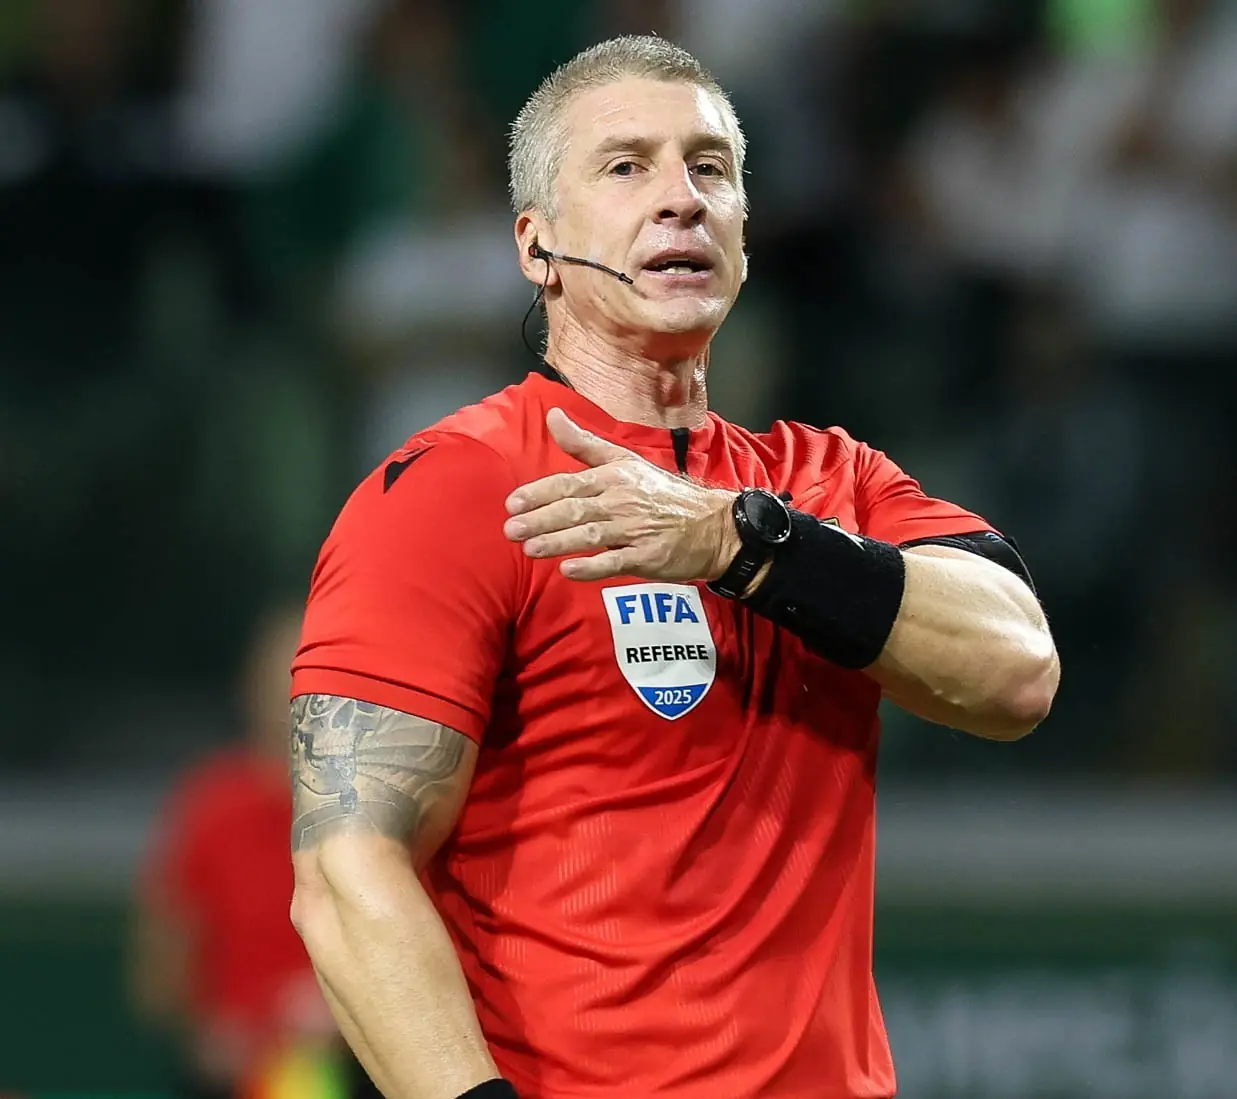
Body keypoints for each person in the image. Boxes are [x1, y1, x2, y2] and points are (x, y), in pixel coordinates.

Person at [289, 35, 1060, 1099]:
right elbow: (346, 868)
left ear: (743, 231)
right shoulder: (456, 490)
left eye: (710, 168)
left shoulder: (832, 482)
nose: (681, 199)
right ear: (537, 246)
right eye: (625, 166)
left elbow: (1016, 670)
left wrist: (741, 542)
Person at [132, 607, 379, 1099]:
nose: (298, 700)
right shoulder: (210, 806)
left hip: (359, 1071)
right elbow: (159, 975)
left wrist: (341, 1014)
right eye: (284, 679)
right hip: (234, 1080)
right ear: (249, 689)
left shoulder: (380, 809)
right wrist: (218, 1033)